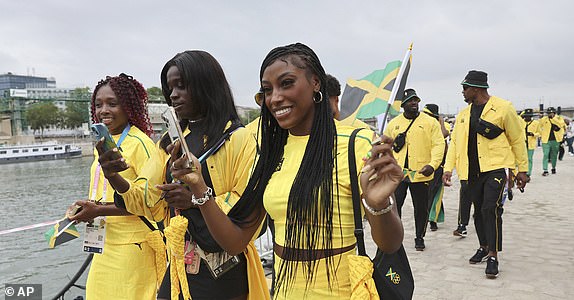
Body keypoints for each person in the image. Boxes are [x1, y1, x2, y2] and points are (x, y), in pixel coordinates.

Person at [169, 42, 404, 299]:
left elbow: (390, 243)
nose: (275, 97)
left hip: (341, 291)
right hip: (284, 291)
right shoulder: (270, 153)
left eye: (287, 83)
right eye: (267, 90)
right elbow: (235, 242)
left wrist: (378, 204)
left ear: (316, 82)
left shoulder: (355, 143)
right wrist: (199, 188)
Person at [102, 51, 265, 300]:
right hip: (181, 261)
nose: (173, 95)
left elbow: (246, 208)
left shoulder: (238, 139)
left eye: (181, 85)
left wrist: (193, 200)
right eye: (170, 88)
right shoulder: (169, 142)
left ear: (206, 85)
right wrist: (115, 176)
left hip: (222, 270)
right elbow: (146, 199)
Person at [68, 73, 160, 299]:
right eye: (98, 105)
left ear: (128, 107)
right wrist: (87, 208)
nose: (103, 110)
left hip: (132, 246)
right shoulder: (104, 142)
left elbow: (151, 203)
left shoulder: (142, 145)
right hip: (103, 244)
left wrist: (98, 210)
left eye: (112, 103)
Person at [443, 70, 529, 279]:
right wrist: (448, 169)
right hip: (471, 172)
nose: (462, 92)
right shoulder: (463, 115)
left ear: (477, 89)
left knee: (490, 208)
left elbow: (517, 139)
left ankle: (493, 255)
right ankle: (483, 246)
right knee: (478, 212)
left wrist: (522, 170)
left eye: (465, 88)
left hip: (496, 167)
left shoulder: (503, 108)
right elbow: (454, 144)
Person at [383, 89, 445, 251]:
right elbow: (385, 145)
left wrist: (432, 165)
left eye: (416, 100)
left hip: (421, 173)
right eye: (410, 101)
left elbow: (439, 145)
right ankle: (397, 236)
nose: (414, 103)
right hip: (399, 174)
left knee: (421, 208)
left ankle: (420, 237)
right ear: (403, 105)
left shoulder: (430, 122)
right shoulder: (393, 124)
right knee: (395, 207)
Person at [422, 104, 450, 232]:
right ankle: (431, 216)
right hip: (424, 163)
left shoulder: (441, 126)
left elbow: (444, 133)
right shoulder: (422, 125)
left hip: (438, 165)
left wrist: (441, 121)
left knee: (435, 193)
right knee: (428, 192)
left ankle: (432, 219)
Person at [538, 107, 566, 175]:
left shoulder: (559, 118)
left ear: (554, 113)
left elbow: (561, 124)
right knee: (546, 154)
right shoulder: (544, 119)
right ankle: (545, 170)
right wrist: (540, 134)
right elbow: (538, 126)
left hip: (555, 140)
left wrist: (553, 118)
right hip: (546, 140)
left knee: (554, 155)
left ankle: (553, 167)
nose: (550, 114)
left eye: (551, 113)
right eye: (549, 113)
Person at [521, 108, 540, 176]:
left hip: (531, 143)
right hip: (522, 143)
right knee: (521, 159)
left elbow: (540, 133)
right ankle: (522, 172)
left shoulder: (536, 123)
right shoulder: (520, 122)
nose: (527, 117)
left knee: (529, 159)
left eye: (529, 116)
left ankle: (528, 173)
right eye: (526, 116)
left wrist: (533, 134)